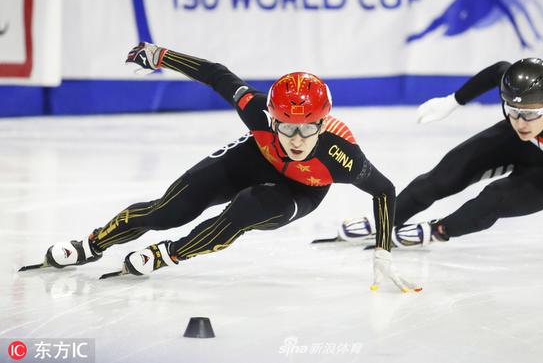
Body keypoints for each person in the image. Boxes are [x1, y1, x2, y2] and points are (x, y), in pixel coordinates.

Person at [32, 42, 419, 292]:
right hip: (253, 159)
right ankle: (92, 244)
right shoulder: (258, 115)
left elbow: (384, 190)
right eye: (286, 126)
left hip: (300, 190)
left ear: (322, 123)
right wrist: (161, 55)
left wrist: (383, 250)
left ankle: (170, 254)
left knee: (247, 208)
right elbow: (218, 74)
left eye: (307, 128)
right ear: (273, 119)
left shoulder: (341, 156)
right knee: (169, 210)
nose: (297, 138)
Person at [388, 58, 543, 266]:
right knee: (443, 176)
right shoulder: (520, 111)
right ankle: (386, 221)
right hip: (519, 143)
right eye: (512, 110)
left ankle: (436, 231)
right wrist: (452, 101)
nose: (521, 122)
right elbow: (499, 70)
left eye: (530, 114)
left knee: (493, 200)